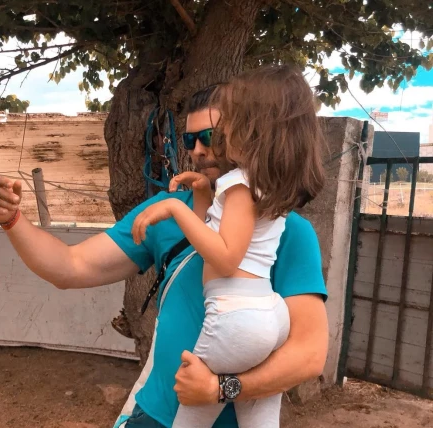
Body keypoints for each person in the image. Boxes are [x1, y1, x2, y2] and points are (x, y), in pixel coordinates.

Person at [0, 84, 329, 428]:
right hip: (152, 415)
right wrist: (13, 220)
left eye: (210, 136)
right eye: (189, 140)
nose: (198, 150)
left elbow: (309, 355)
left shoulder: (287, 231)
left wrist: (221, 389)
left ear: (241, 134)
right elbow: (70, 267)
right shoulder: (166, 212)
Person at [130, 65, 326, 428]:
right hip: (269, 312)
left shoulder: (237, 186)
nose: (212, 143)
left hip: (235, 315)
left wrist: (174, 207)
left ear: (250, 130)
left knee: (189, 416)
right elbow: (216, 231)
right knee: (260, 420)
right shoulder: (264, 184)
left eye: (224, 125)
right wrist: (203, 195)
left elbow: (223, 255)